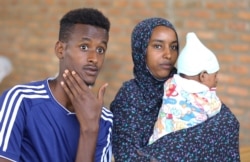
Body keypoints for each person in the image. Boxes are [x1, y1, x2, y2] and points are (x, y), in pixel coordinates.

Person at [110, 17, 240, 161]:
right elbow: (127, 156)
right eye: (158, 46)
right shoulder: (130, 96)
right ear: (141, 50)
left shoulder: (182, 83)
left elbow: (228, 122)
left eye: (173, 47)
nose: (168, 54)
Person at [0, 8, 113, 162]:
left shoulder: (105, 120)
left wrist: (90, 129)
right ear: (60, 50)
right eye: (84, 47)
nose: (94, 58)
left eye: (100, 49)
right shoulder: (21, 100)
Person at [148, 32, 222, 144]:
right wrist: (212, 92)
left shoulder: (170, 83)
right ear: (203, 76)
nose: (217, 80)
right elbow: (215, 110)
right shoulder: (205, 96)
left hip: (158, 142)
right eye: (215, 75)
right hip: (184, 145)